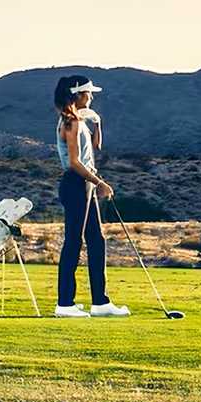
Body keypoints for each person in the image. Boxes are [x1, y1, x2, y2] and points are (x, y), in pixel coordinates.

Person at [52, 75, 128, 317]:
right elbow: (74, 162)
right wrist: (100, 183)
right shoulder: (70, 123)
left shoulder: (80, 121)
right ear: (78, 95)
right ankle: (64, 304)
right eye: (88, 93)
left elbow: (96, 147)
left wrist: (98, 124)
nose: (92, 97)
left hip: (85, 184)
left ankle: (100, 302)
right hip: (76, 184)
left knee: (97, 240)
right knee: (73, 242)